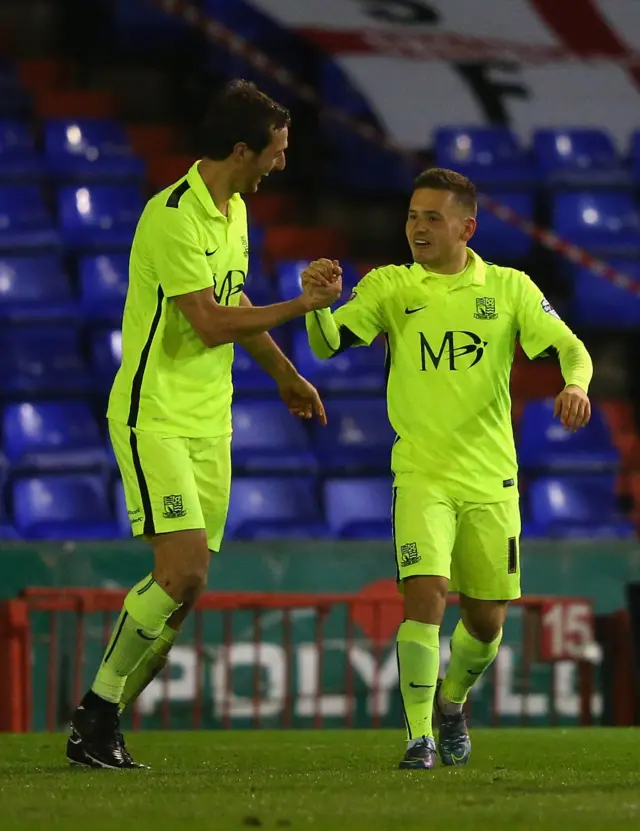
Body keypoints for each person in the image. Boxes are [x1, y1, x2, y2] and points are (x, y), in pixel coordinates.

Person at [67, 80, 341, 769]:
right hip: (152, 414)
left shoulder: (235, 211)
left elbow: (231, 295)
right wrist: (302, 305)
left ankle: (101, 727)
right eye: (275, 151)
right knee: (182, 569)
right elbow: (211, 320)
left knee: (185, 593)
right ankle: (95, 715)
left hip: (209, 423)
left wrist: (284, 373)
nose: (281, 164)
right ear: (241, 149)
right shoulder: (173, 216)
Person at [304, 168, 592, 770]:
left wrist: (576, 385)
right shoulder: (390, 287)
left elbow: (571, 346)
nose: (418, 228)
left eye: (433, 218)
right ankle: (418, 738)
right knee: (425, 594)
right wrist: (316, 307)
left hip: (492, 479)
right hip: (421, 473)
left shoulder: (509, 288)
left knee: (485, 625)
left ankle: (452, 703)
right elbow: (330, 344)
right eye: (412, 215)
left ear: (467, 227)